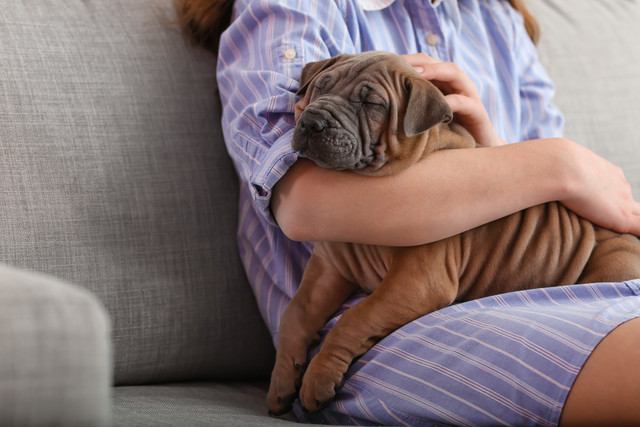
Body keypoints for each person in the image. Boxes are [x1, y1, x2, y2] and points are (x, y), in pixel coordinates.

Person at [178, 0, 640, 425]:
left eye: (368, 104)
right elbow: (304, 205)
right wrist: (557, 162)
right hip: (392, 334)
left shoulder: (495, 16)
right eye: (319, 93)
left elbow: (547, 211)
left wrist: (494, 151)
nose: (320, 113)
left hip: (569, 286)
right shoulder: (295, 7)